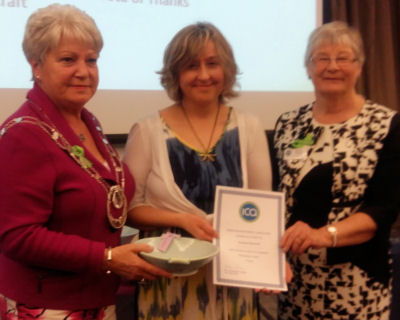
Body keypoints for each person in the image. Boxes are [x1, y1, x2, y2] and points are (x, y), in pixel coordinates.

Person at [0, 4, 170, 319]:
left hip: (95, 297)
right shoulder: (22, 134)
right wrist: (107, 257)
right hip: (47, 306)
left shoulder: (87, 122)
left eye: (91, 60)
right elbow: (18, 236)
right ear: (36, 65)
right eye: (68, 59)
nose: (84, 71)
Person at [123, 22, 272, 319]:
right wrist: (181, 219)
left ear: (226, 70)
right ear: (176, 74)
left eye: (212, 63)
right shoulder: (146, 131)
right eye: (192, 65)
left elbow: (261, 208)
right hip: (169, 281)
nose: (203, 75)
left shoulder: (249, 127)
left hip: (233, 279)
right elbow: (130, 208)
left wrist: (267, 264)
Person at [274, 21, 400, 319]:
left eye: (343, 58)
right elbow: (276, 196)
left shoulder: (387, 125)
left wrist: (323, 235)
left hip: (357, 280)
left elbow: (383, 209)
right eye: (322, 58)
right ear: (307, 67)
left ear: (359, 67)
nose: (332, 66)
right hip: (296, 280)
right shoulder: (288, 124)